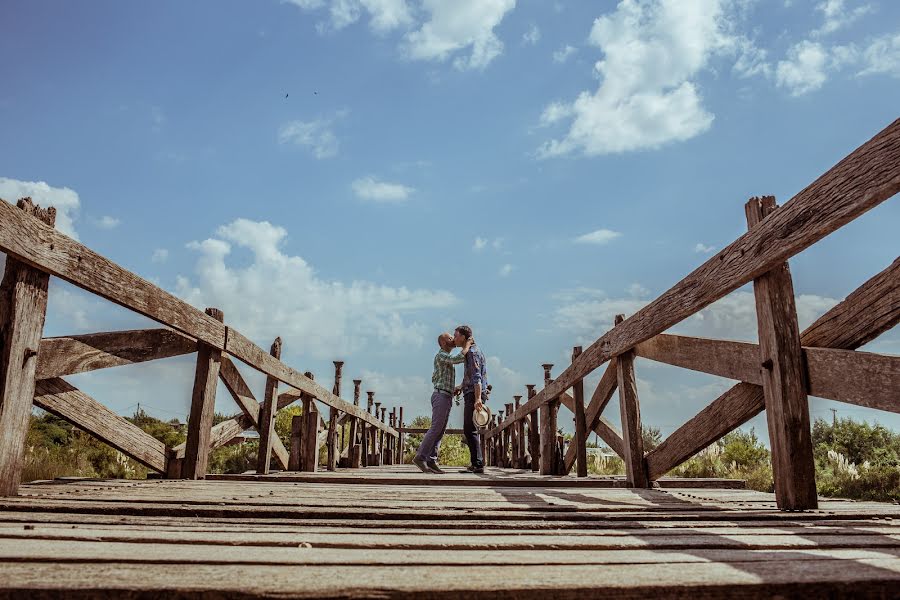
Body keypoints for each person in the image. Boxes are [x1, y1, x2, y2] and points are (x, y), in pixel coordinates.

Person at [412, 333, 472, 474]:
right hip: (440, 395)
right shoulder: (441, 355)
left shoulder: (444, 357)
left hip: (446, 395)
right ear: (443, 343)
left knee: (440, 430)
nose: (453, 340)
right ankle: (420, 457)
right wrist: (467, 345)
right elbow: (458, 358)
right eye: (450, 338)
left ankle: (431, 460)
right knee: (436, 428)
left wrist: (454, 389)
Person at [453, 324, 488, 474]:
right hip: (471, 391)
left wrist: (478, 398)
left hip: (474, 394)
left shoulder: (472, 353)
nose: (454, 339)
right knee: (470, 429)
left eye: (456, 336)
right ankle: (476, 463)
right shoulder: (473, 351)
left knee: (470, 429)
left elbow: (477, 378)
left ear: (463, 337)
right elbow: (472, 375)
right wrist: (461, 386)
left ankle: (478, 464)